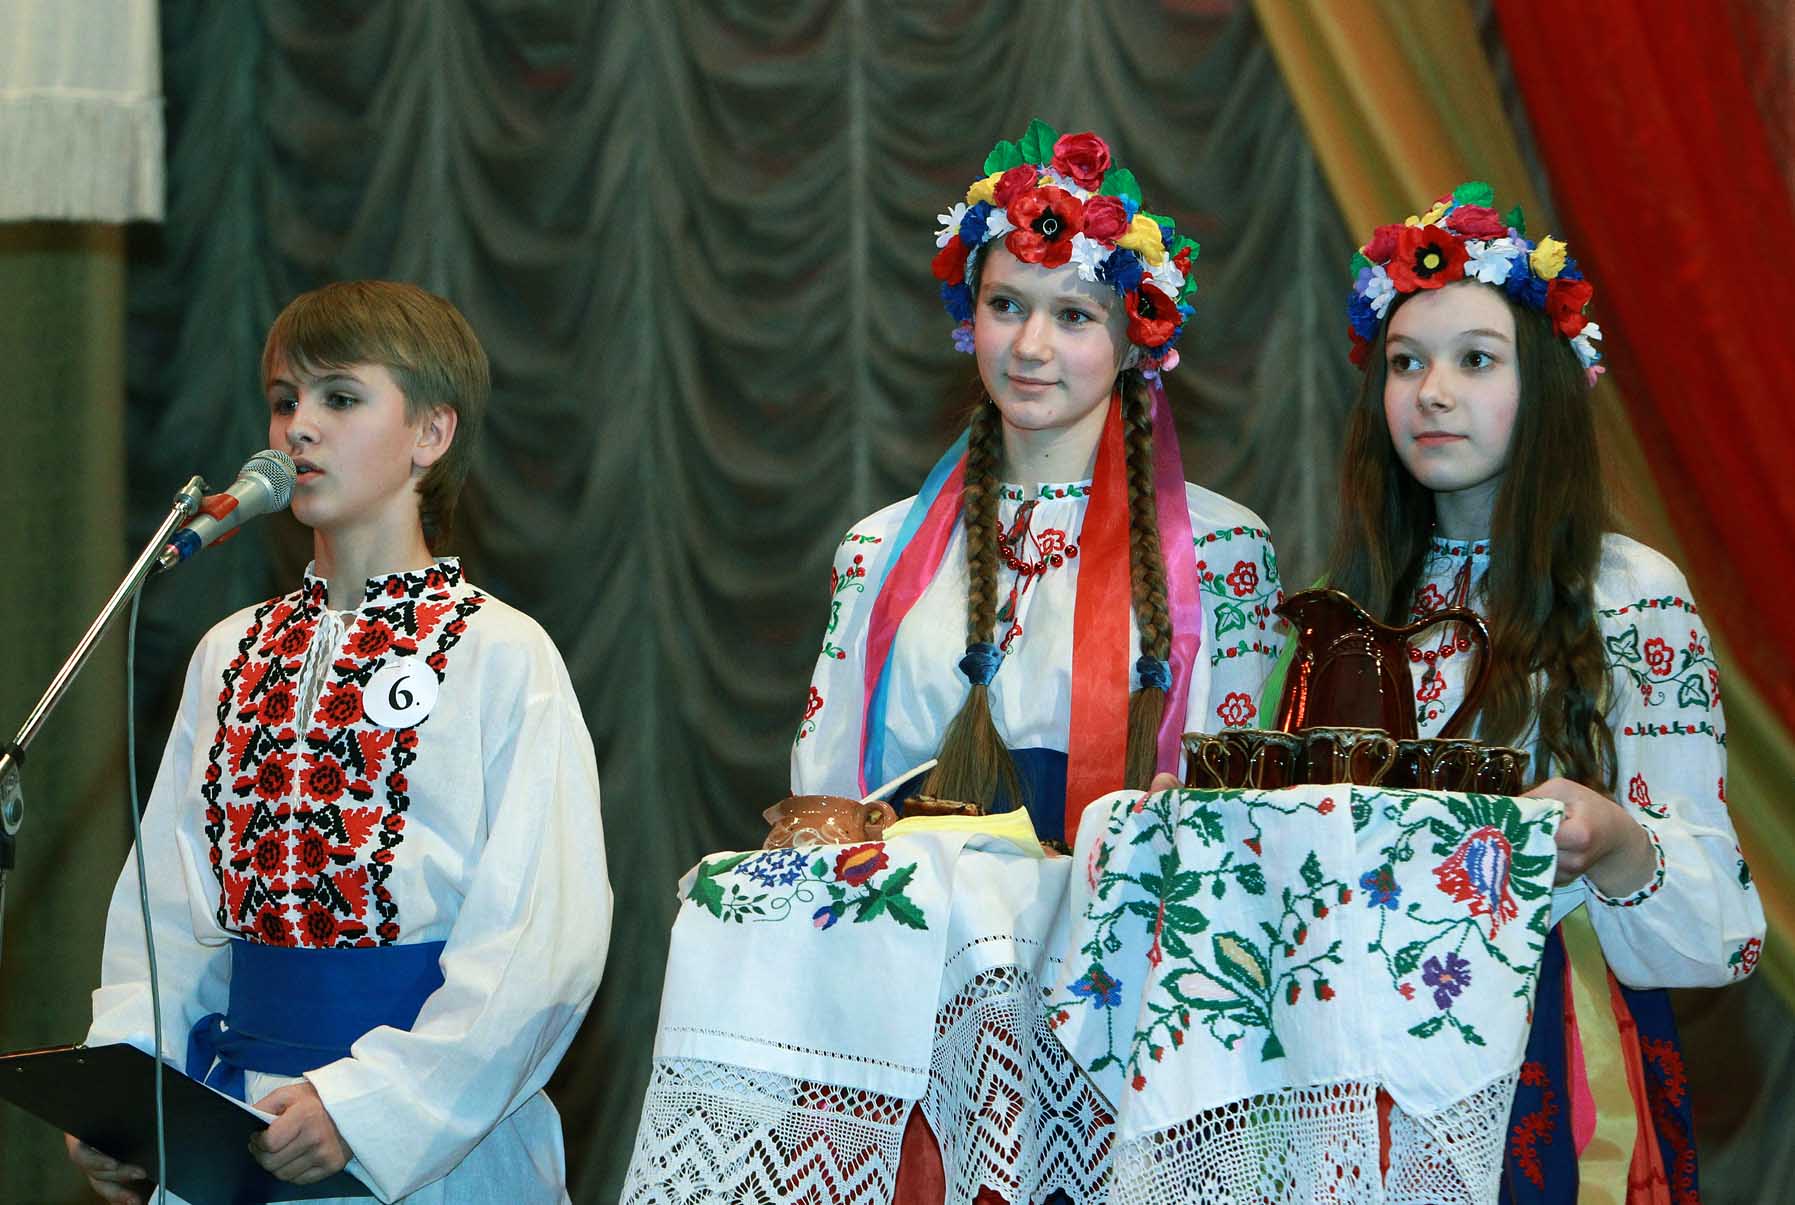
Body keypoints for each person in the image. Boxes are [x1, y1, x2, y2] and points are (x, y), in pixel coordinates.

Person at [66, 281, 611, 1204]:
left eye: (341, 397)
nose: (299, 428)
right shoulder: (231, 651)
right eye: (284, 401)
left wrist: (365, 1108)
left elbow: (541, 940)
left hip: (426, 1145)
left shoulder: (500, 653)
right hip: (232, 1120)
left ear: (431, 434)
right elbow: (166, 911)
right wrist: (128, 1090)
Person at [1330, 184, 1765, 1199]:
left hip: (1550, 1051)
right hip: (1356, 1051)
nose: (1432, 391)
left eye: (1476, 359)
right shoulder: (1353, 597)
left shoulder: (1630, 592)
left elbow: (1723, 924)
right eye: (1406, 362)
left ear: (1550, 384)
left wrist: (1614, 838)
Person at [790, 118, 1285, 849]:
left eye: (1073, 316)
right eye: (1006, 305)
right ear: (971, 317)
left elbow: (1246, 817)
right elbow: (825, 805)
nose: (1029, 345)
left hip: (1117, 910)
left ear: (1135, 343)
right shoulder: (877, 550)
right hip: (920, 912)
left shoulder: (1218, 549)